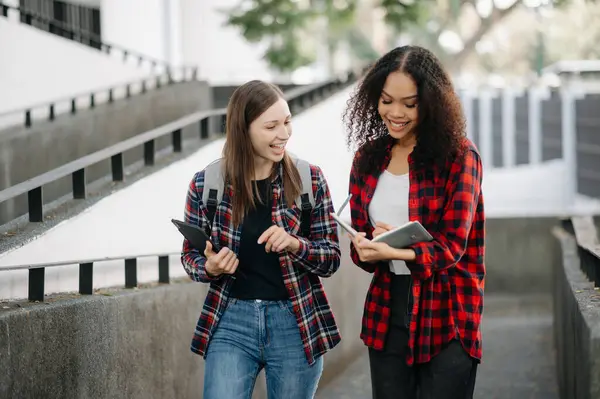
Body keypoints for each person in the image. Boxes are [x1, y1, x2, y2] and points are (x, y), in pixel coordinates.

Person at [180, 80, 342, 399]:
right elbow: (190, 256)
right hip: (230, 320)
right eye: (271, 126)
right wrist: (210, 267)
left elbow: (332, 258)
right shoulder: (206, 184)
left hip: (295, 322)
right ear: (244, 129)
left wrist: (296, 244)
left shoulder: (310, 180)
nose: (284, 134)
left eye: (287, 122)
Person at [343, 45, 485, 399]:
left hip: (447, 311)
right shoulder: (367, 159)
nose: (396, 113)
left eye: (410, 104)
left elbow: (452, 246)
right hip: (386, 310)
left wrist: (399, 250)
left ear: (432, 103)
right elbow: (360, 243)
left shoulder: (459, 157)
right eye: (387, 100)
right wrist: (368, 246)